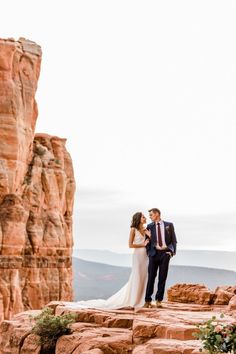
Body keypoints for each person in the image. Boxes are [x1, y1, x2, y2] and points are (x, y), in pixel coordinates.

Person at [65, 212, 150, 309]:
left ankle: (143, 300)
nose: (145, 218)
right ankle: (135, 300)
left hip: (146, 256)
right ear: (138, 218)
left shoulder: (146, 229)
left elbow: (152, 241)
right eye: (143, 217)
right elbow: (130, 245)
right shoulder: (133, 230)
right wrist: (143, 245)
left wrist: (149, 236)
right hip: (138, 255)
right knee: (137, 275)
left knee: (145, 276)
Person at [144, 208, 177, 308]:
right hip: (154, 254)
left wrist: (171, 253)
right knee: (151, 278)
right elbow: (147, 242)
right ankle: (148, 300)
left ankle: (159, 300)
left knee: (162, 277)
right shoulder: (149, 226)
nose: (149, 217)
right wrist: (149, 252)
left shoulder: (169, 225)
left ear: (157, 214)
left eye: (151, 215)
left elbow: (174, 241)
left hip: (165, 254)